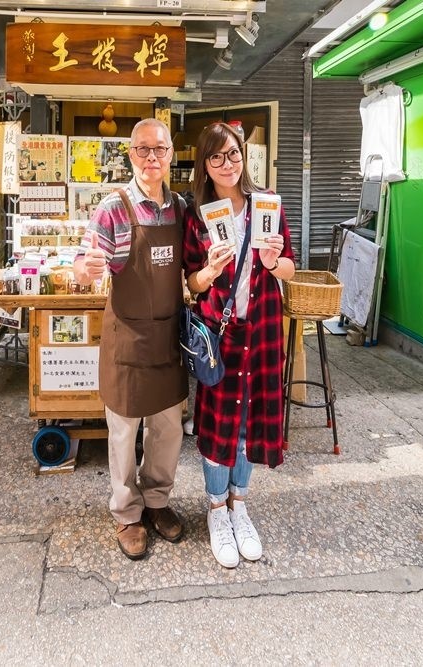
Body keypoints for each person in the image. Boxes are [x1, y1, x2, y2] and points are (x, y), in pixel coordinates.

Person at [182, 122, 295, 568]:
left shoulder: (266, 204)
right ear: (203, 164)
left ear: (243, 157)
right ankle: (215, 510)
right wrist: (209, 271)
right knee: (217, 423)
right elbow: (191, 283)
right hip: (221, 333)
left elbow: (289, 269)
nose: (226, 164)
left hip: (263, 328)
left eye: (233, 155)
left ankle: (240, 506)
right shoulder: (198, 215)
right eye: (216, 157)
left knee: (249, 422)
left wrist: (274, 261)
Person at [73, 118, 188, 560]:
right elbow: (85, 264)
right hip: (127, 338)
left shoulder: (180, 208)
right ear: (130, 155)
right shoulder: (113, 207)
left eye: (159, 149)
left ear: (171, 154)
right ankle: (126, 513)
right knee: (123, 432)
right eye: (143, 150)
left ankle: (157, 500)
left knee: (168, 429)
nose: (151, 158)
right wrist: (88, 269)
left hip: (167, 338)